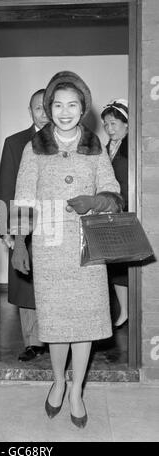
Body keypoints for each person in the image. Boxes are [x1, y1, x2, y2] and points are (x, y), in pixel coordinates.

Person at [11, 71, 123, 428]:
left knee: (85, 322)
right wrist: (18, 243)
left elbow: (114, 192)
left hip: (85, 246)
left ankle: (77, 389)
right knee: (57, 321)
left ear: (82, 108)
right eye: (57, 104)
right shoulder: (34, 148)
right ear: (48, 108)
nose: (64, 111)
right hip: (48, 245)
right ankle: (58, 382)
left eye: (72, 104)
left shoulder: (94, 147)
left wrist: (96, 200)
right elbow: (24, 199)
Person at [0, 89, 48, 361]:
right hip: (24, 222)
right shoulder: (15, 142)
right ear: (30, 112)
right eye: (36, 108)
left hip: (57, 223)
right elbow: (6, 186)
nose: (42, 112)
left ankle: (59, 336)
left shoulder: (69, 140)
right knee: (27, 282)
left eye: (45, 106)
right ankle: (33, 341)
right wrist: (7, 230)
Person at [101, 99, 129, 327]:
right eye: (106, 125)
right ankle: (124, 310)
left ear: (126, 125)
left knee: (124, 267)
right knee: (114, 267)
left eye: (113, 124)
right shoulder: (105, 148)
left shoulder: (132, 148)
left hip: (126, 211)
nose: (110, 129)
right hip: (109, 212)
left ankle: (128, 311)